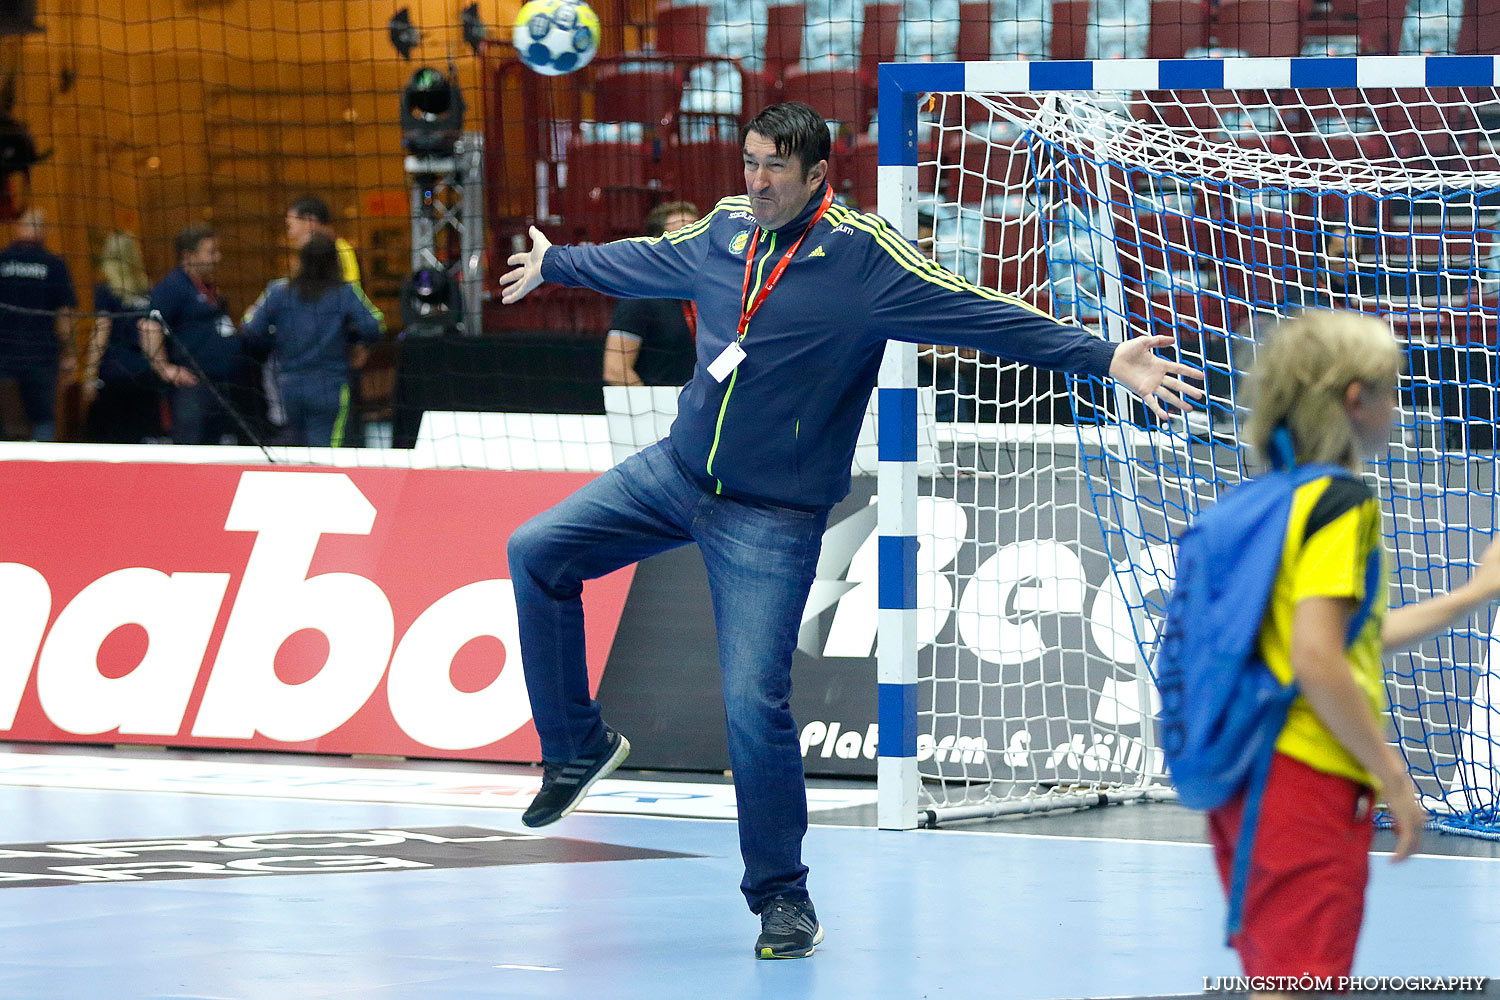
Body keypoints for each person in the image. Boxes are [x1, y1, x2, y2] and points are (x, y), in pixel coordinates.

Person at [498, 101, 1201, 960]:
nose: (754, 183)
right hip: (675, 474)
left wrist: (1101, 355)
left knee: (752, 706)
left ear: (818, 175)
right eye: (748, 163)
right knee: (536, 551)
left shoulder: (865, 260)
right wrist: (558, 261)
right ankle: (576, 746)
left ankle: (782, 901)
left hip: (772, 516)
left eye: (773, 171)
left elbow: (976, 309)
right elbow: (647, 260)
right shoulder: (723, 228)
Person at [1206, 310, 1500, 996]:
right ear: (1355, 400)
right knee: (1304, 981)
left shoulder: (1261, 501)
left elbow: (1336, 638)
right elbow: (1318, 659)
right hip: (1307, 776)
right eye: (1392, 391)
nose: (1400, 409)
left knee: (1278, 974)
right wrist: (1390, 773)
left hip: (1242, 777)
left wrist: (1472, 595)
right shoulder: (1341, 505)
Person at [240, 233, 382, 447]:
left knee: (297, 448)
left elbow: (251, 329)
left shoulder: (279, 291)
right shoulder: (344, 293)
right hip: (330, 386)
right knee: (325, 451)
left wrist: (276, 339)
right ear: (334, 262)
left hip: (289, 387)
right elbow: (374, 326)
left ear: (300, 260)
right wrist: (356, 344)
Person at [283, 195, 384, 443]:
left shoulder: (338, 252)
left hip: (334, 365)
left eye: (291, 225)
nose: (290, 233)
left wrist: (361, 345)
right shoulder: (312, 256)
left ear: (310, 221)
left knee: (333, 439)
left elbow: (354, 306)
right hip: (312, 369)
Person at [139, 224, 246, 445]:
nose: (218, 257)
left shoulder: (204, 287)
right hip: (191, 391)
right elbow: (149, 326)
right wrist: (165, 369)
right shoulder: (172, 288)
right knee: (192, 448)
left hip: (219, 386)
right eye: (210, 252)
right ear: (189, 256)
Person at [602, 201, 700, 387]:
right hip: (660, 409)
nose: (691, 242)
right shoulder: (639, 296)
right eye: (682, 234)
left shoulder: (704, 293)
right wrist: (651, 409)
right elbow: (616, 369)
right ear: (657, 243)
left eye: (696, 234)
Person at [0, 209, 77, 441]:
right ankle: (41, 469)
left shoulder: (2, 261)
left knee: (8, 423)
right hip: (41, 358)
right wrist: (69, 354)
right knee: (43, 419)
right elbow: (65, 314)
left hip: (4, 356)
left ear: (17, 227)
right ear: (46, 231)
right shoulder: (54, 265)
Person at [84, 231, 163, 443]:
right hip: (144, 373)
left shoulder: (106, 290)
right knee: (141, 439)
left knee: (113, 440)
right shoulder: (148, 291)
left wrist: (89, 375)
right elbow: (153, 332)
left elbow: (101, 332)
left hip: (114, 374)